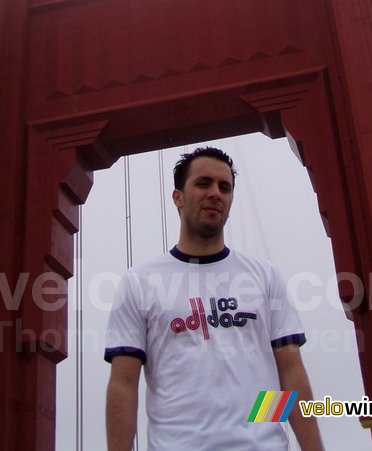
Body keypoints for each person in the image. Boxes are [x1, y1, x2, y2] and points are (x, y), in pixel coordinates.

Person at [104, 146, 324, 450]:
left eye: (225, 187)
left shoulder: (264, 276)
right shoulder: (138, 282)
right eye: (203, 183)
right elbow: (123, 384)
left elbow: (290, 371)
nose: (215, 194)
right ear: (177, 197)